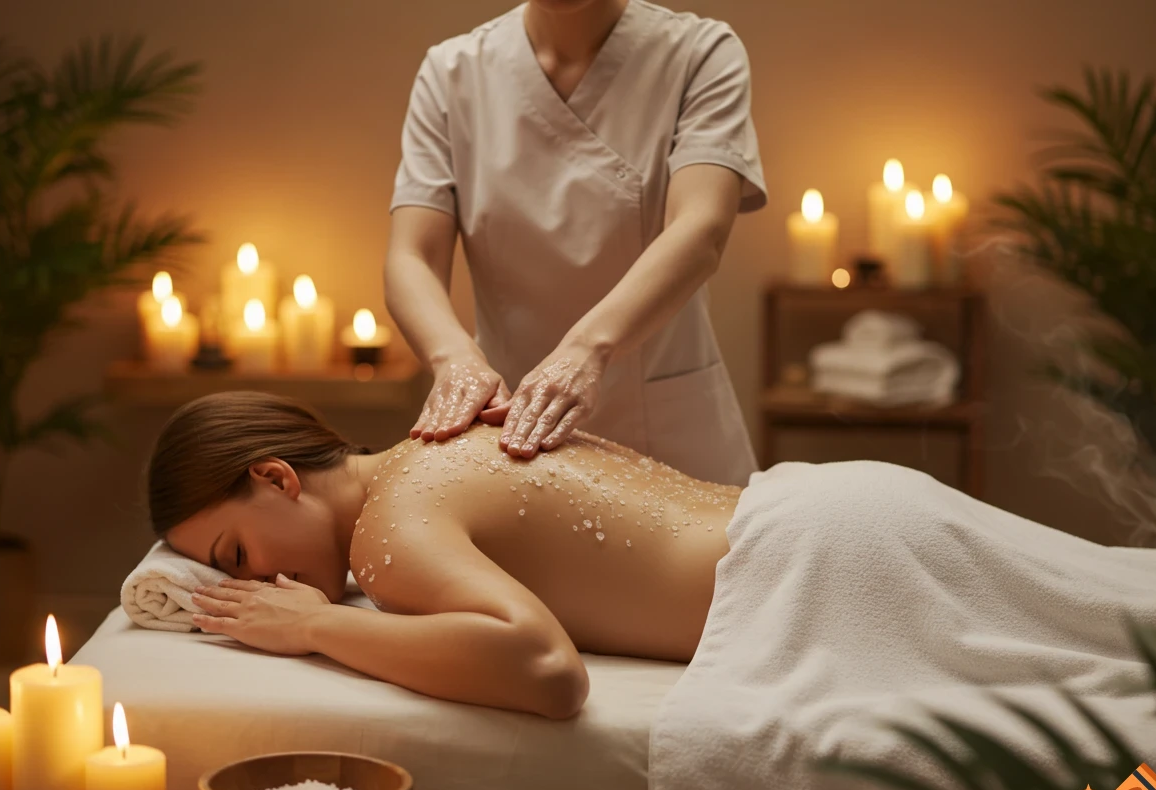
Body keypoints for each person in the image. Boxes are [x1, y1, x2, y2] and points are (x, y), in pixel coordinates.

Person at [150, 392, 739, 719]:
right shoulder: (439, 442)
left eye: (235, 554)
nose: (253, 581)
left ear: (275, 479)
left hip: (792, 570)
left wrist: (315, 623)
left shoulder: (384, 533)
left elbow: (549, 673)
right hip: (790, 512)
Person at [386, 0, 765, 485]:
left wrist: (586, 352)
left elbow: (701, 228)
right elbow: (411, 256)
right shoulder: (452, 72)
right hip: (512, 426)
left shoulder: (699, 52)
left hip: (668, 430)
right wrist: (453, 358)